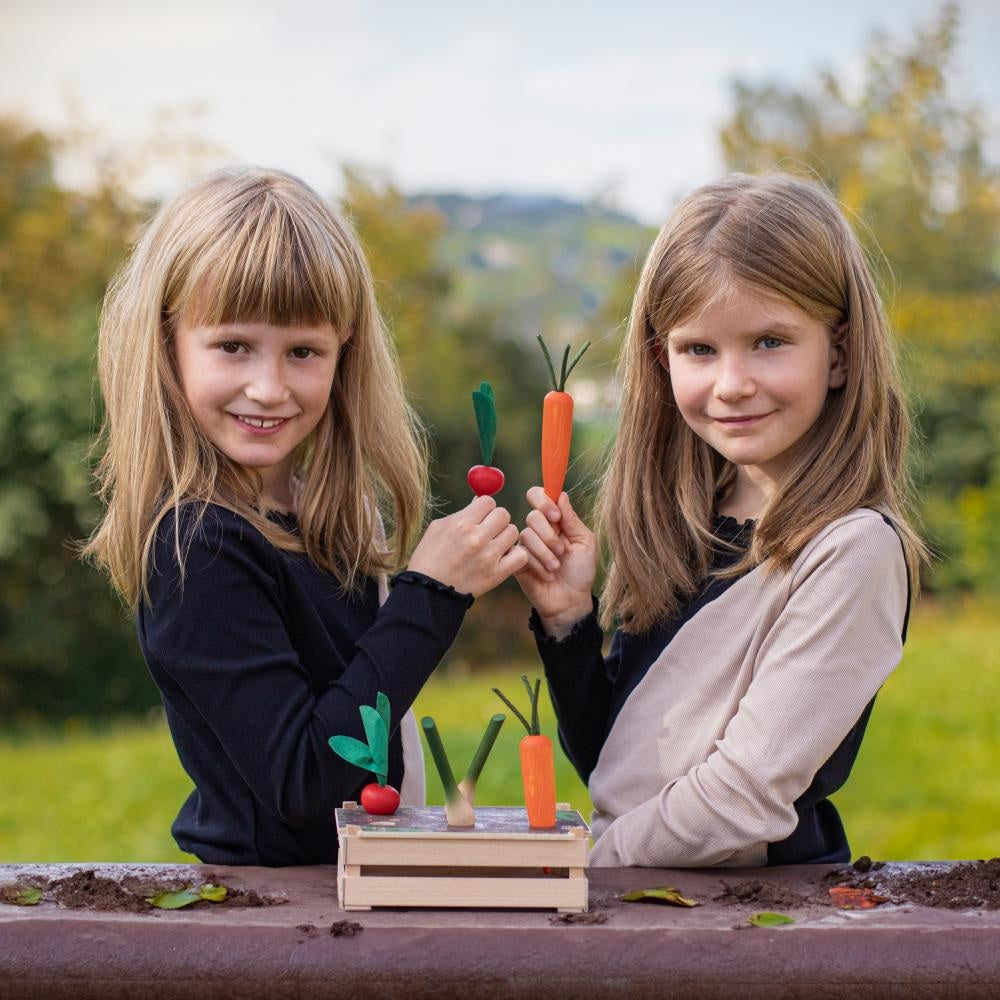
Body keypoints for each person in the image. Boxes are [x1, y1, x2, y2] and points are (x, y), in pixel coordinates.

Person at [85, 167, 527, 866]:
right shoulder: (198, 546)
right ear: (168, 344)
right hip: (270, 907)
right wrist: (431, 596)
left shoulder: (322, 512)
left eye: (302, 352)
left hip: (348, 888)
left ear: (343, 352)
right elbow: (302, 780)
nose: (268, 388)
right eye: (233, 346)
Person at [516, 172, 927, 867]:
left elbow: (742, 799)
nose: (732, 384)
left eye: (769, 342)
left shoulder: (850, 550)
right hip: (656, 900)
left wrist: (585, 868)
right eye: (699, 350)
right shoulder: (687, 528)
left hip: (751, 916)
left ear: (840, 354)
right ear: (662, 360)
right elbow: (618, 774)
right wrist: (569, 623)